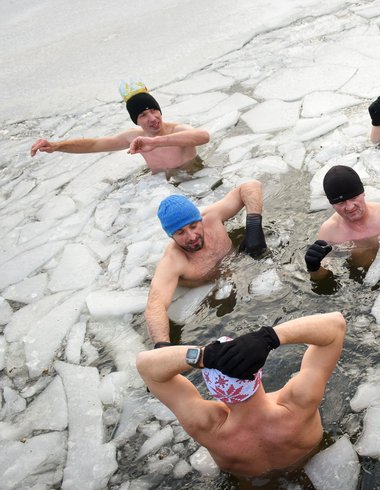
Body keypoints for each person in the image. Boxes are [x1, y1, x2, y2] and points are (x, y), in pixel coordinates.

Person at [136, 312, 346, 477]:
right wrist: (269, 337)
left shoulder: (205, 426)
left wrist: (205, 356)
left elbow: (146, 367)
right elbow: (335, 325)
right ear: (256, 374)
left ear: (212, 387)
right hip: (311, 472)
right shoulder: (299, 403)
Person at [145, 181, 267, 348]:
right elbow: (155, 304)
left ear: (199, 220)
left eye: (194, 226)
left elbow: (251, 186)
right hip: (212, 296)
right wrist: (162, 346)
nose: (192, 236)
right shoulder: (173, 261)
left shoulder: (212, 218)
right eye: (180, 233)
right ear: (171, 235)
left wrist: (254, 225)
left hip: (242, 270)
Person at [30, 84, 209, 177]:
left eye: (154, 111)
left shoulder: (177, 130)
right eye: (143, 115)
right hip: (161, 186)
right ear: (136, 121)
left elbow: (202, 136)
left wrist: (155, 142)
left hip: (196, 178)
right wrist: (56, 145)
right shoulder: (134, 136)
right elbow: (93, 145)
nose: (153, 118)